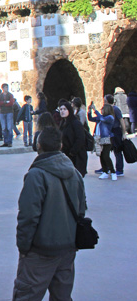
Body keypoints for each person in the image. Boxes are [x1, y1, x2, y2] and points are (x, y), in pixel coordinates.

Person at [12, 127, 86, 301]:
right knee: (62, 295)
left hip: (41, 250)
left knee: (27, 294)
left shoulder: (36, 175)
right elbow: (81, 209)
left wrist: (23, 246)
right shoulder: (75, 173)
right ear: (60, 145)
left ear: (38, 145)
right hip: (67, 247)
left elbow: (28, 216)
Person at [88, 101, 117, 181]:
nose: (101, 111)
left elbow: (102, 119)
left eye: (103, 109)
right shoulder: (100, 117)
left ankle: (113, 171)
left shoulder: (110, 117)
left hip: (106, 138)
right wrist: (89, 111)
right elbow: (90, 119)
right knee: (101, 155)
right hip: (99, 138)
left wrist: (95, 110)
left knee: (106, 155)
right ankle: (105, 171)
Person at [104, 94, 127, 177]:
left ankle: (120, 170)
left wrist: (124, 133)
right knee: (106, 150)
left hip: (116, 131)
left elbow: (121, 120)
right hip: (109, 131)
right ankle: (106, 167)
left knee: (117, 151)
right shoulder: (108, 109)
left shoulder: (115, 109)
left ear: (107, 101)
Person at [0, 83, 16, 148]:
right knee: (4, 128)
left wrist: (3, 104)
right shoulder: (0, 96)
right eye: (5, 88)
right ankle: (5, 142)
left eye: (7, 87)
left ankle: (10, 142)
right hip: (2, 112)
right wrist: (5, 102)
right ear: (3, 88)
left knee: (9, 128)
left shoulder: (10, 95)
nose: (6, 89)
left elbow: (11, 103)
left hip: (9, 112)